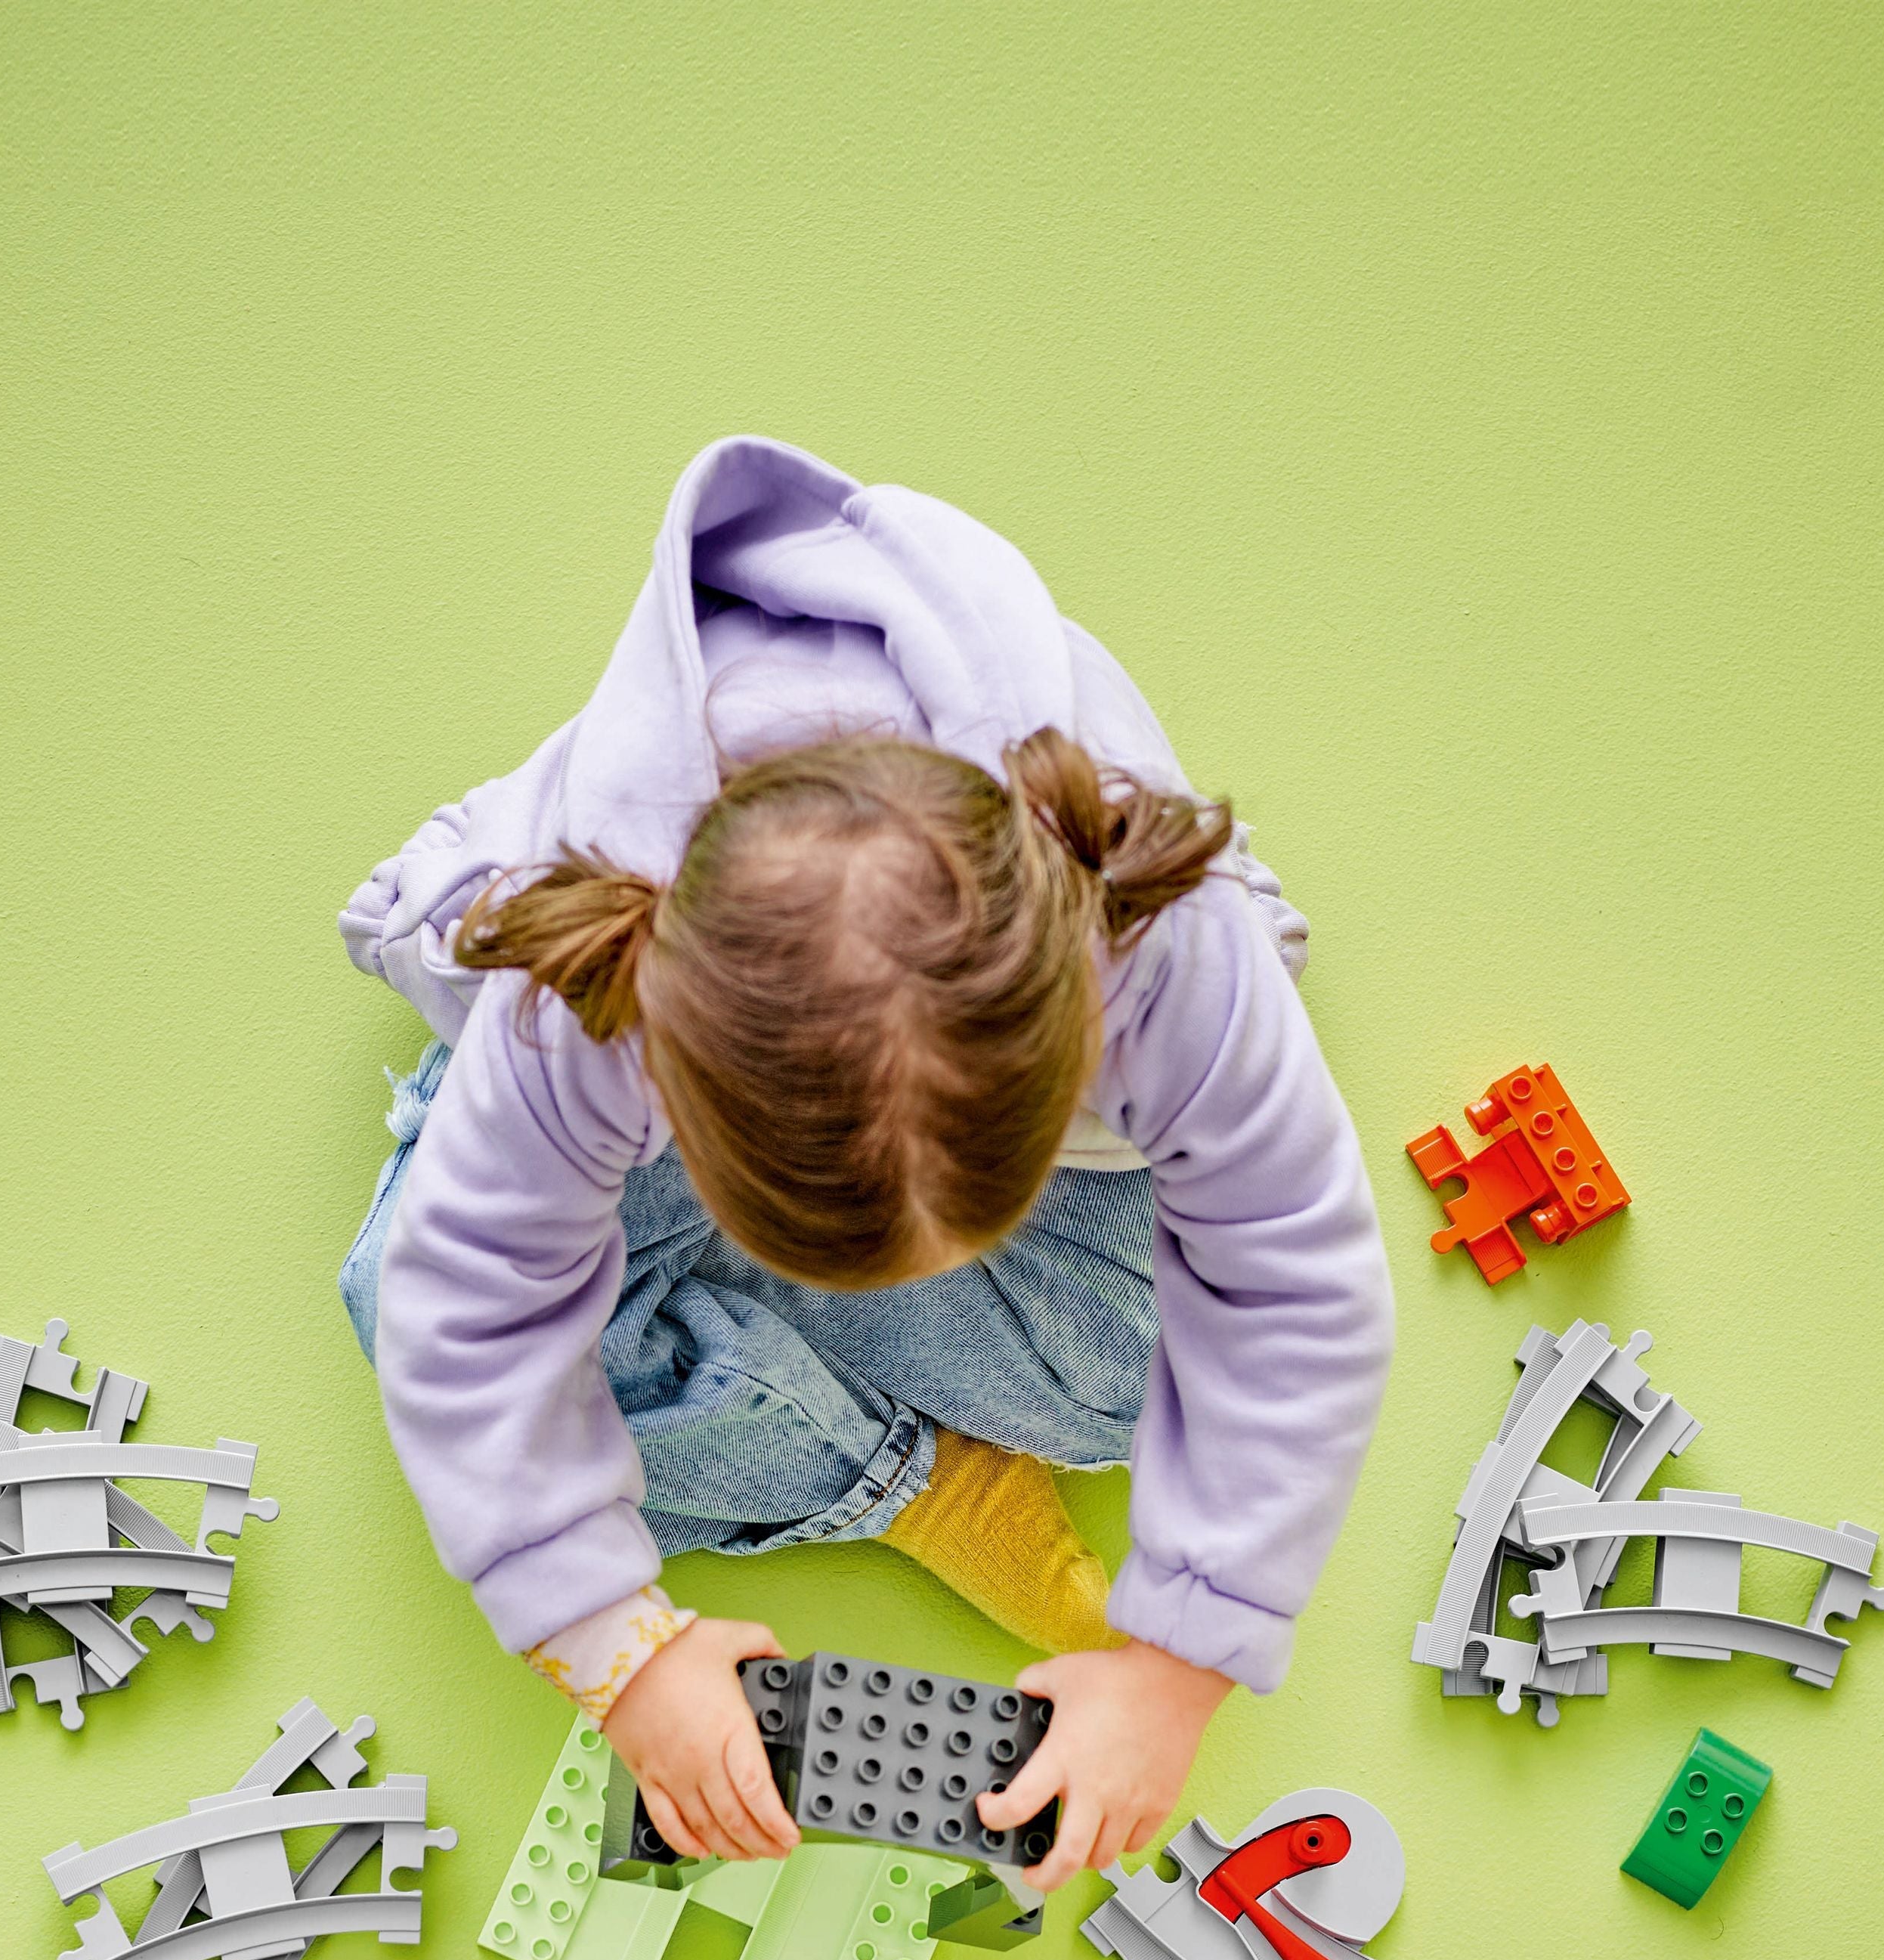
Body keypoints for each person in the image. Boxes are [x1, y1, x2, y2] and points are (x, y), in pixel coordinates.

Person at [338, 436, 1392, 1887]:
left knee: (1129, 1396)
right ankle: (905, 1480)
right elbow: (461, 1310)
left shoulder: (1167, 946)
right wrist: (618, 1652)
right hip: (643, 1054)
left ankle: (745, 1368)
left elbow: (1297, 1278)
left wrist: (1179, 1662)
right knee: (402, 1304)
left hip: (1009, 1067)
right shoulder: (592, 992)